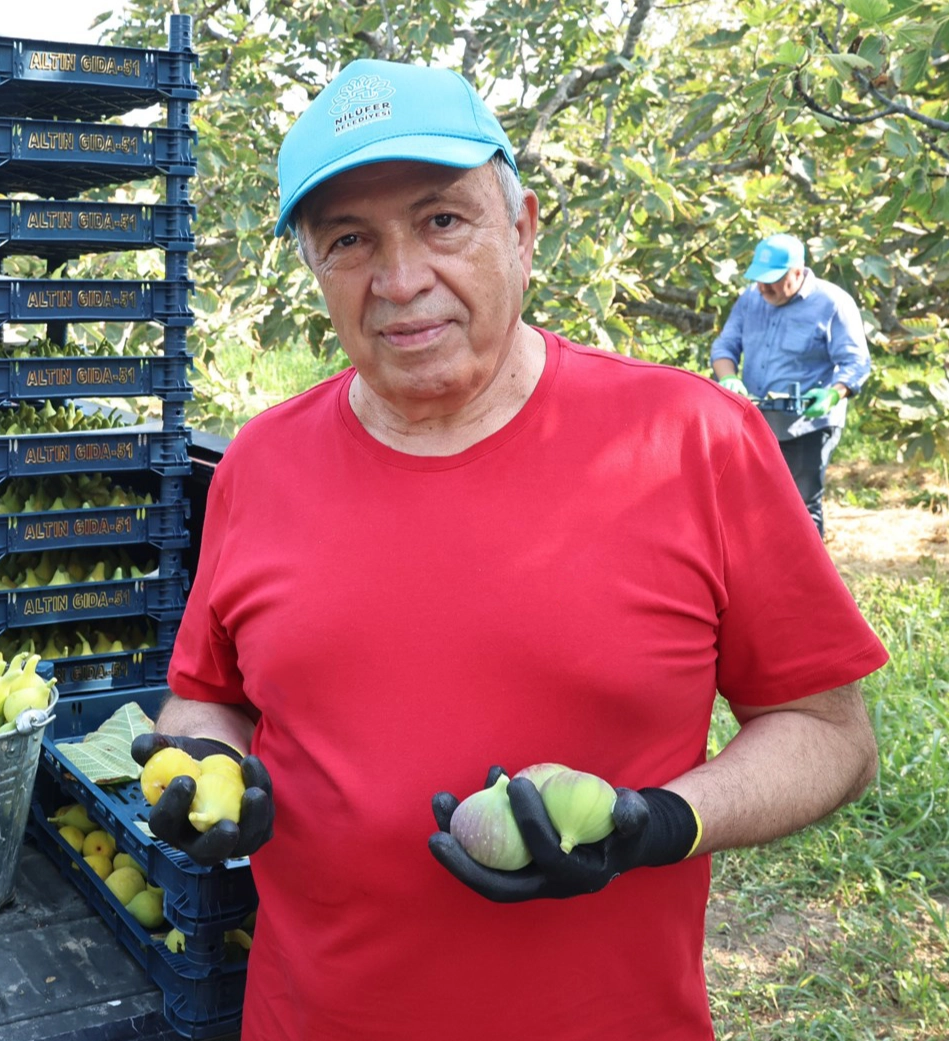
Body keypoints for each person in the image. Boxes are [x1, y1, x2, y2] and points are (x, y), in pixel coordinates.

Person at [130, 59, 888, 1041]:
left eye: (442, 219)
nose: (400, 281)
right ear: (314, 267)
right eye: (349, 240)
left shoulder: (688, 439)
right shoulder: (261, 463)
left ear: (522, 228)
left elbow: (830, 734)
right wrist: (204, 765)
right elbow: (207, 692)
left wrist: (659, 823)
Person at [710, 233, 871, 537]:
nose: (763, 287)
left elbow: (856, 363)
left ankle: (806, 581)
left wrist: (833, 394)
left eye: (772, 279)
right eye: (759, 278)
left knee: (800, 507)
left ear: (798, 272)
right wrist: (728, 377)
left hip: (807, 427)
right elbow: (725, 347)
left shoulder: (833, 303)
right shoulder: (750, 299)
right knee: (750, 504)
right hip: (756, 422)